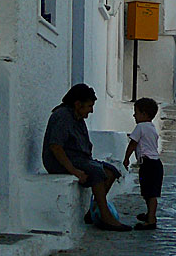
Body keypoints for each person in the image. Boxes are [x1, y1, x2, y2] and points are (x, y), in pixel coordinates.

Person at [42, 84, 131, 232]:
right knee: (96, 172)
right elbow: (56, 147)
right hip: (60, 162)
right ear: (78, 104)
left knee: (111, 171)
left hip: (78, 158)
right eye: (89, 106)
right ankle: (105, 216)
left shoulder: (77, 117)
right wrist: (75, 171)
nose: (91, 110)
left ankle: (93, 212)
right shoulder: (62, 117)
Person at [123, 97, 164, 230]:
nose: (134, 115)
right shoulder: (152, 128)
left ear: (144, 114)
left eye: (136, 112)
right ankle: (150, 214)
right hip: (156, 164)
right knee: (151, 192)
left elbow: (133, 144)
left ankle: (150, 220)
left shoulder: (140, 127)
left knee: (149, 193)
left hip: (147, 164)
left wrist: (126, 158)